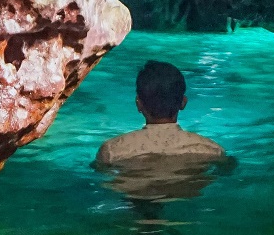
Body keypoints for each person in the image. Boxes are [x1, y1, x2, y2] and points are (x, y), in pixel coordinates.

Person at [94, 60, 227, 169]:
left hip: (135, 197)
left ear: (139, 103)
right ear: (183, 103)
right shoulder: (212, 151)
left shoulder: (112, 151)